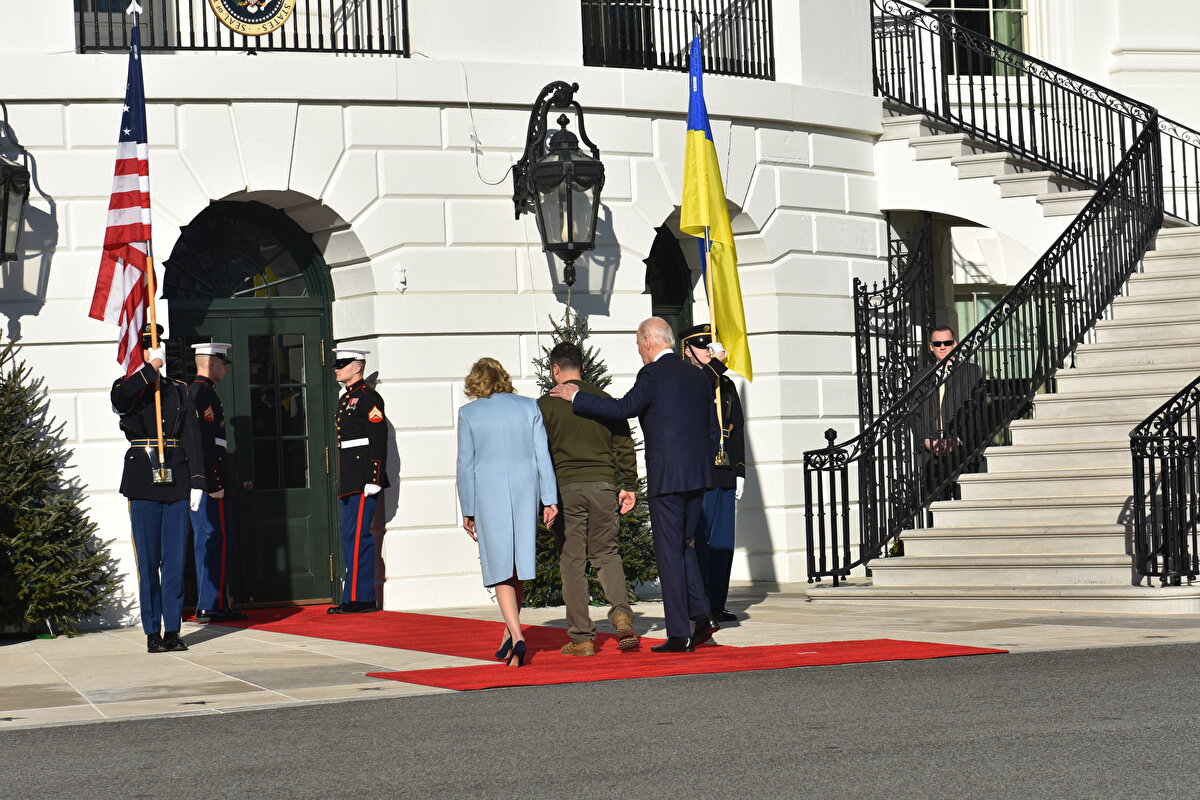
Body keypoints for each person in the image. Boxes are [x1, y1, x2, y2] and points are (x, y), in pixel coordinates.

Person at [549, 318, 719, 653]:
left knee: (670, 553)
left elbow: (622, 408)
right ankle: (702, 618)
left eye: (638, 344)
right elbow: (713, 431)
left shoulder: (652, 374)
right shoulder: (698, 375)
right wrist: (701, 465)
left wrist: (578, 396)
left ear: (648, 341)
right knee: (686, 546)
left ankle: (679, 634)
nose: (638, 350)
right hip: (697, 477)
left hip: (668, 479)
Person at [537, 342, 640, 657]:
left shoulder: (544, 405)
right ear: (581, 367)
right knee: (607, 553)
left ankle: (582, 638)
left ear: (555, 369)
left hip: (566, 489)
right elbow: (624, 444)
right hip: (604, 486)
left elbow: (538, 455)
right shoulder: (604, 399)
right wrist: (629, 484)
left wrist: (544, 498)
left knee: (572, 562)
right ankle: (621, 613)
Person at [456, 357, 558, 667]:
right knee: (517, 563)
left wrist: (468, 508)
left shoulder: (469, 413)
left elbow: (465, 464)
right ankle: (509, 639)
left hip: (489, 492)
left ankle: (517, 636)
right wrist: (549, 499)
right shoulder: (528, 406)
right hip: (525, 490)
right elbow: (543, 456)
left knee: (500, 565)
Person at [110, 324, 205, 653]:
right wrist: (146, 373)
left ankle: (173, 629)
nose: (156, 351)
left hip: (176, 478)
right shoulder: (128, 387)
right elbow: (121, 402)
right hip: (142, 479)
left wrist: (197, 482)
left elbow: (191, 435)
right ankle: (152, 630)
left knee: (175, 562)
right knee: (148, 562)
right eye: (148, 346)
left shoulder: (179, 389)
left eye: (158, 345)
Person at [680, 324, 746, 623]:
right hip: (700, 470)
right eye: (702, 347)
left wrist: (740, 470)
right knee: (700, 541)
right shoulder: (690, 379)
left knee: (723, 543)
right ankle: (700, 604)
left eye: (711, 348)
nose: (709, 352)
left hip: (724, 471)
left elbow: (738, 428)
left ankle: (717, 603)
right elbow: (698, 388)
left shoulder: (726, 384)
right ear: (687, 350)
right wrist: (717, 365)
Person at [187, 342, 247, 624]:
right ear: (211, 363)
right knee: (212, 540)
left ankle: (211, 602)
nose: (225, 367)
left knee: (210, 540)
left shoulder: (204, 393)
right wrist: (211, 480)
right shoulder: (200, 394)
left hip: (210, 479)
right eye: (222, 362)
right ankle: (211, 604)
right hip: (211, 482)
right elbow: (201, 444)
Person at [328, 347, 390, 615]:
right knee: (349, 537)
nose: (337, 368)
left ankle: (359, 597)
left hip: (364, 478)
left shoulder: (369, 397)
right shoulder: (347, 398)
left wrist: (374, 476)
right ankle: (353, 595)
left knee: (358, 537)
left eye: (342, 364)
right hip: (350, 478)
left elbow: (378, 438)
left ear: (357, 367)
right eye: (336, 364)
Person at [913, 325, 987, 504]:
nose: (942, 347)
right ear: (931, 347)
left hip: (962, 450)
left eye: (947, 342)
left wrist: (957, 439)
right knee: (936, 506)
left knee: (965, 505)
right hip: (931, 453)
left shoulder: (971, 372)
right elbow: (914, 415)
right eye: (938, 343)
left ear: (955, 344)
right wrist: (926, 440)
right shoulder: (921, 377)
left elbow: (977, 412)